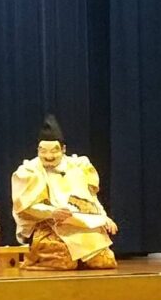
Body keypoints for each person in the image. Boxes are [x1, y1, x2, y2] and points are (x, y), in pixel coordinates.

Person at [11, 114, 118, 270]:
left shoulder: (78, 166)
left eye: (54, 151)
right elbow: (25, 207)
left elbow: (90, 198)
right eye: (43, 151)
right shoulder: (29, 171)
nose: (48, 156)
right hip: (49, 225)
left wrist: (103, 217)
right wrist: (52, 212)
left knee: (104, 262)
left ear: (63, 149)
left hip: (81, 225)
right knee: (63, 261)